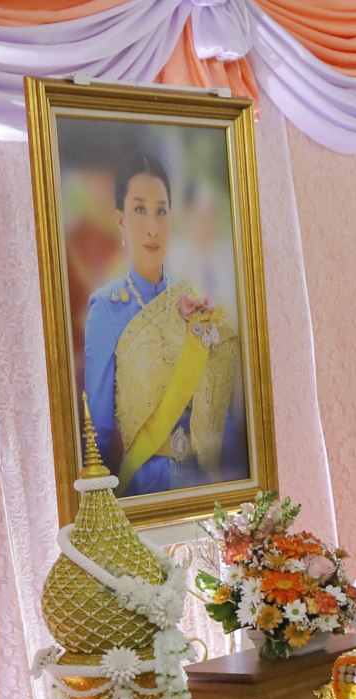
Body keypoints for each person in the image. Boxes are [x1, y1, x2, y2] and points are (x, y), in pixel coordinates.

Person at [83, 149, 242, 498]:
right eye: (139, 210)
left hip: (208, 486)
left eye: (161, 211)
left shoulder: (196, 301)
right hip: (145, 488)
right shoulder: (106, 310)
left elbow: (221, 418)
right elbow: (99, 432)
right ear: (120, 219)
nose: (153, 227)